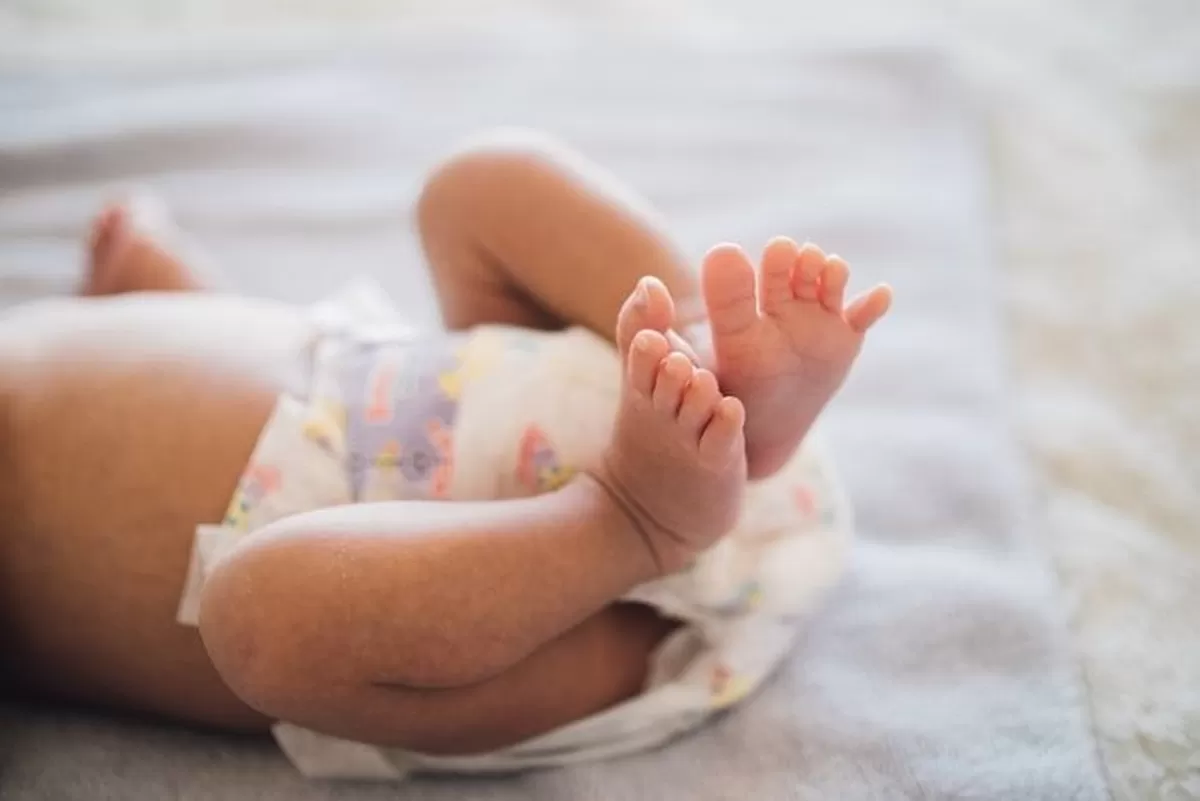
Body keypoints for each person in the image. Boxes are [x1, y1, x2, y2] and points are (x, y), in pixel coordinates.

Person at [0, 132, 890, 775]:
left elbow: (201, 398)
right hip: (484, 602)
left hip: (437, 390)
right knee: (260, 624)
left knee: (474, 185)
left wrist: (162, 308)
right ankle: (636, 517)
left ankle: (704, 348)